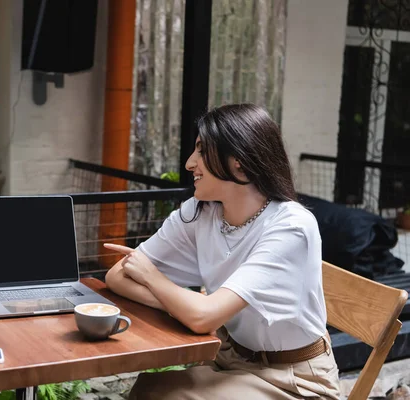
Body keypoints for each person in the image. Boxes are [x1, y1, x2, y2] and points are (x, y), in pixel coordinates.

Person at [104, 104, 340, 399]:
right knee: (148, 387)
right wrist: (183, 305)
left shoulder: (291, 226)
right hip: (228, 357)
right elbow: (117, 275)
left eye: (201, 151)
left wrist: (156, 280)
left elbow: (203, 318)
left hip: (295, 379)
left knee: (165, 397)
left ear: (238, 162)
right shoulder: (201, 213)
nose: (190, 163)